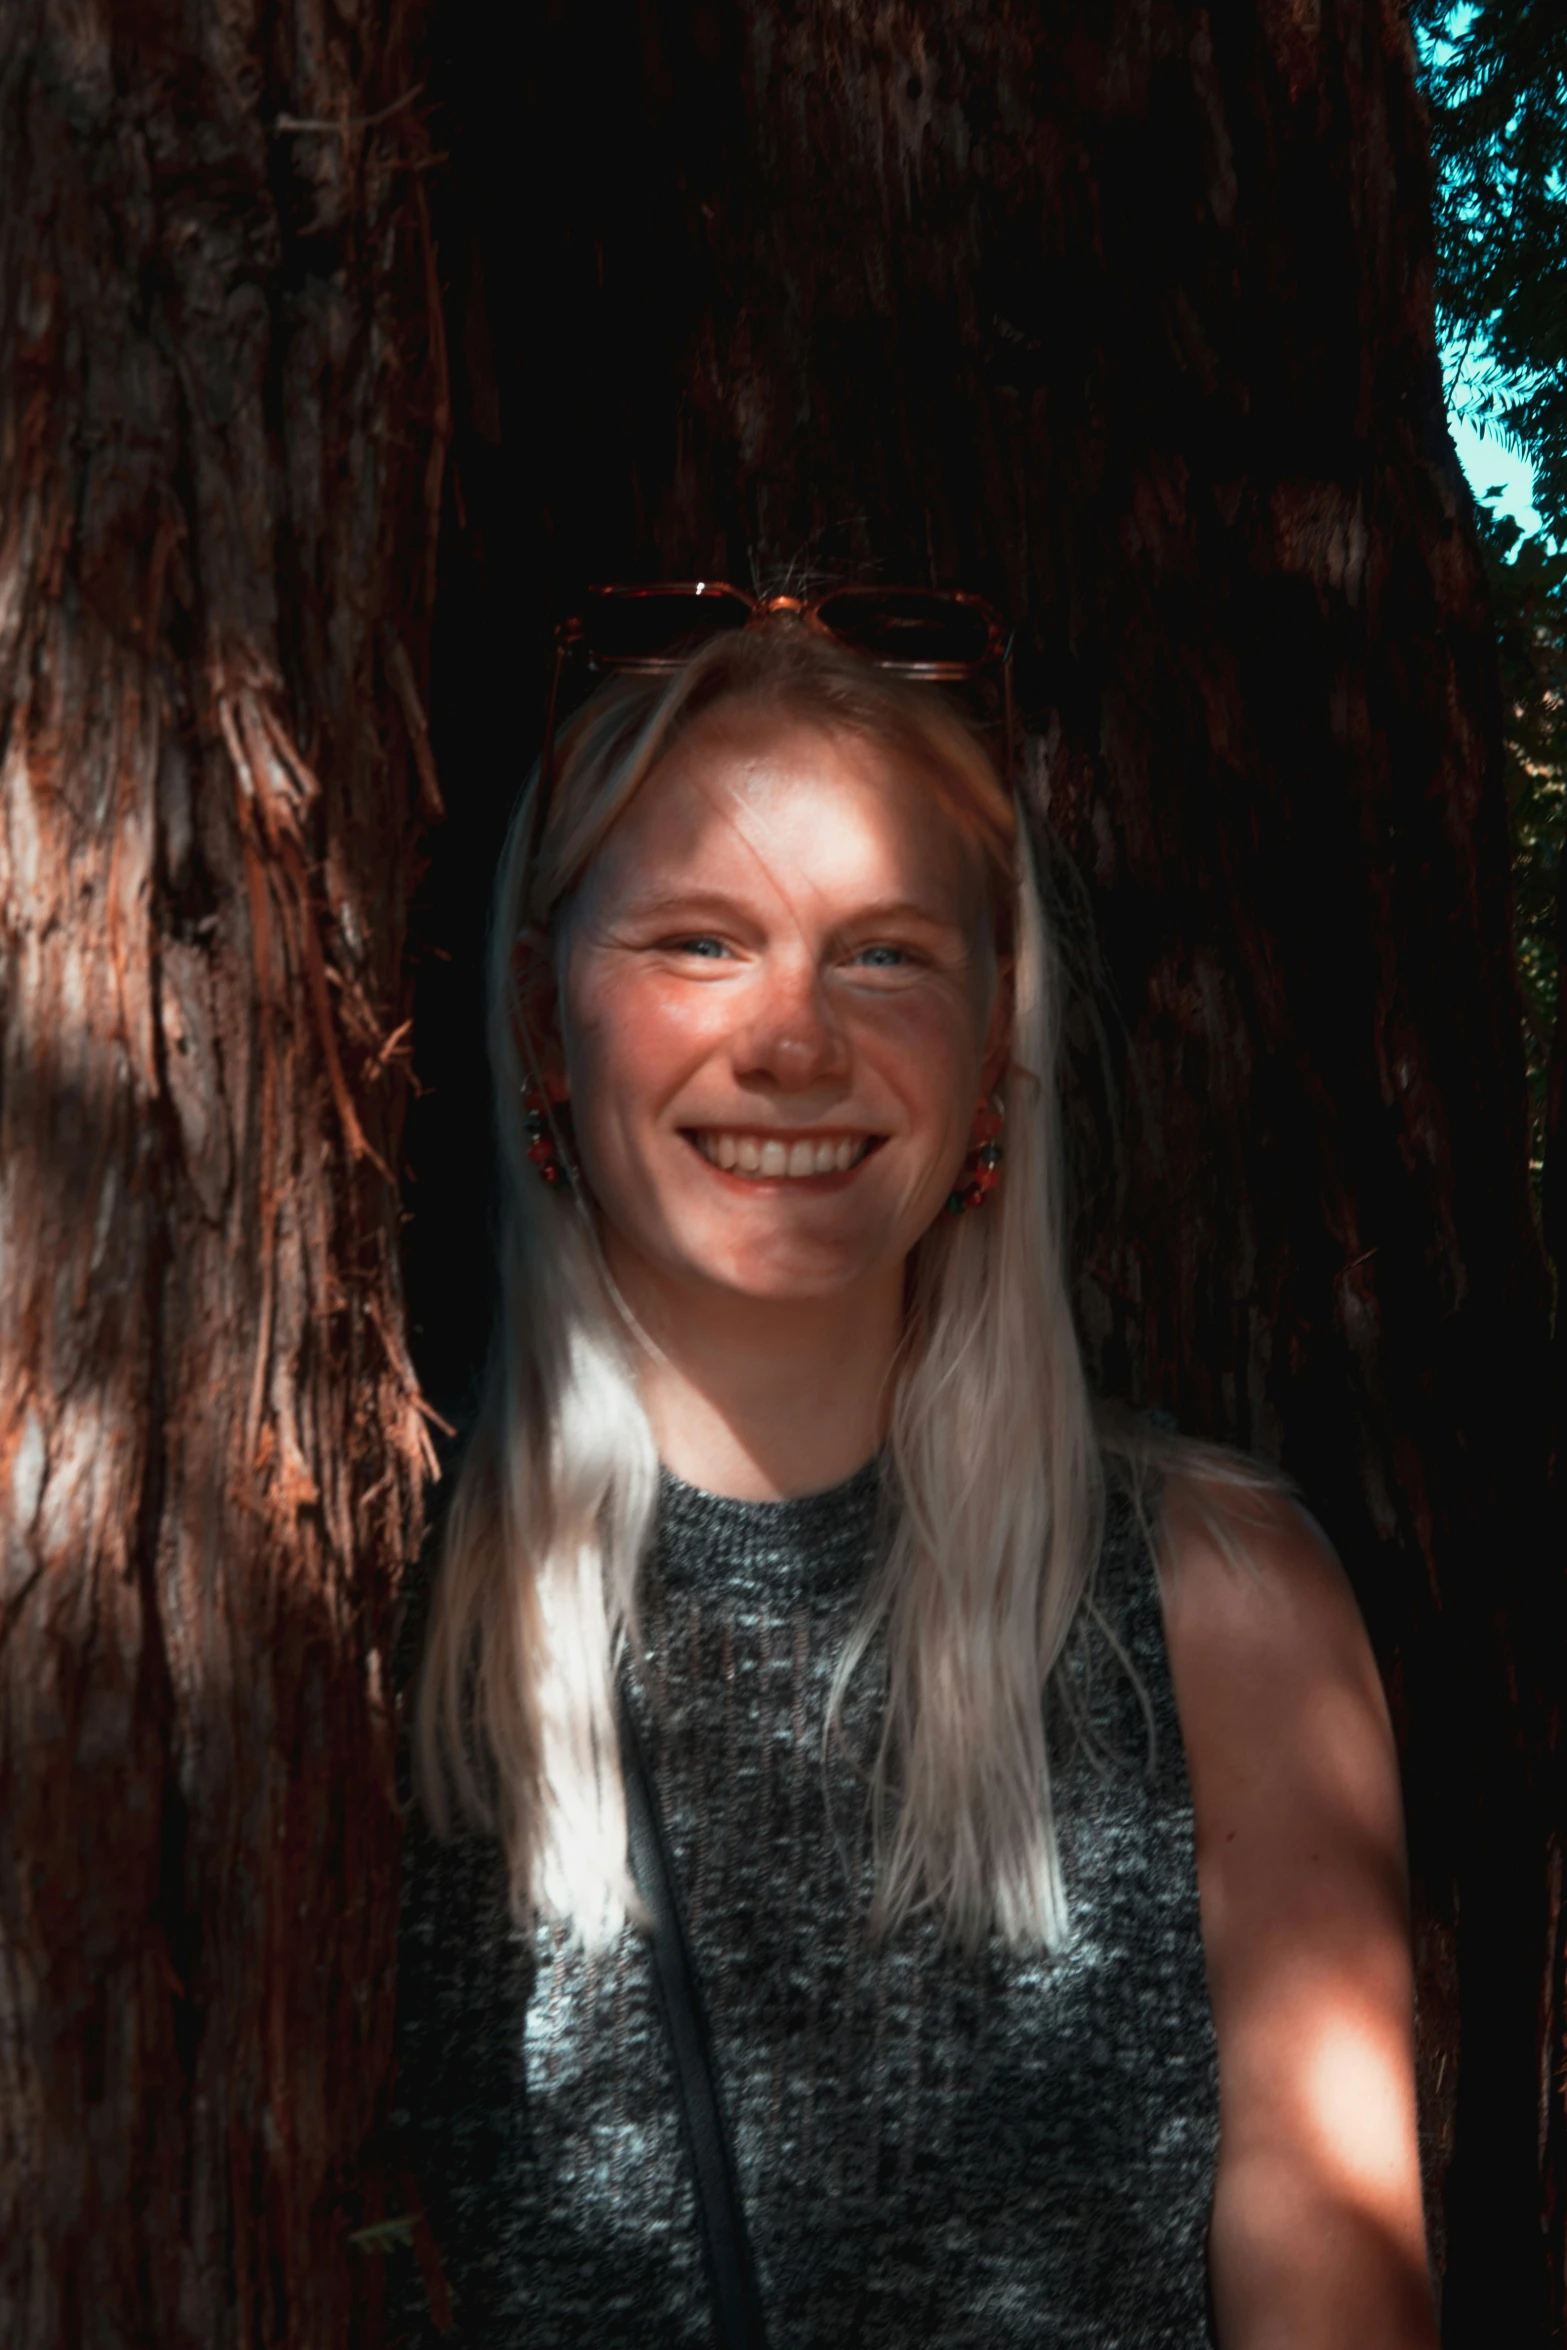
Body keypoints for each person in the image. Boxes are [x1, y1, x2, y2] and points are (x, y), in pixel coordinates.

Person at [394, 610, 1438, 2348]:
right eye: (700, 943)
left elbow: (1334, 2279)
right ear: (534, 1012)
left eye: (881, 954)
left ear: (994, 1040)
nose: (792, 1040)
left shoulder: (1215, 1605)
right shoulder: (374, 1622)